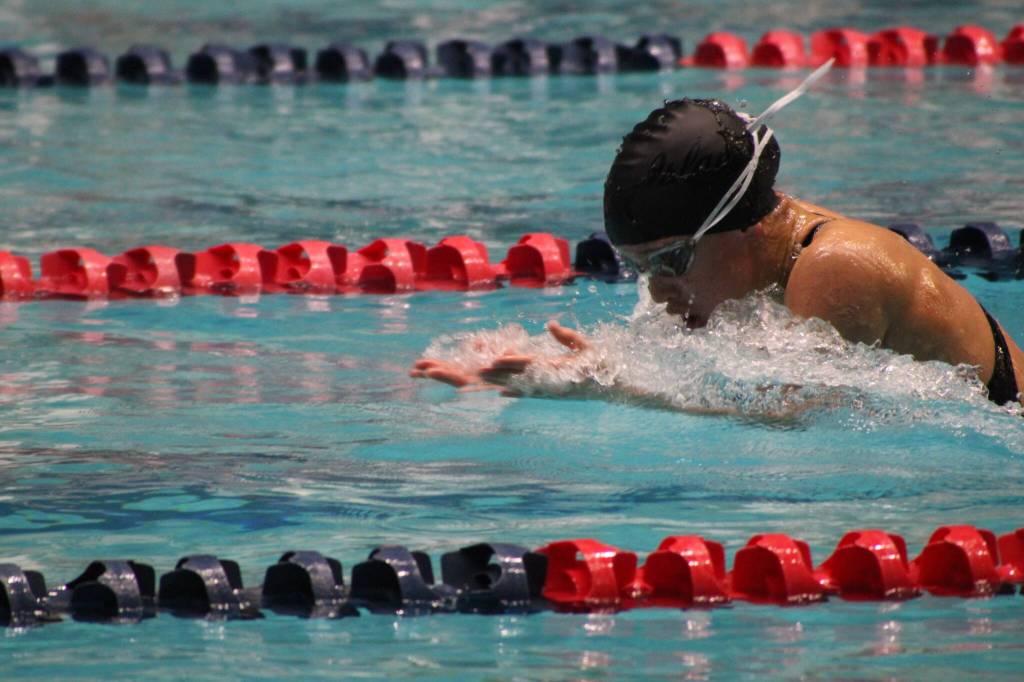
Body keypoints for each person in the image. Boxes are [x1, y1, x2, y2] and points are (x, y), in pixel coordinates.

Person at [412, 93, 1023, 408]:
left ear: (743, 229)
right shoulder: (754, 262)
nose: (656, 291)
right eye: (640, 268)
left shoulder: (839, 267)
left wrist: (606, 386)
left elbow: (800, 415)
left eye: (672, 261)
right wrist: (553, 360)